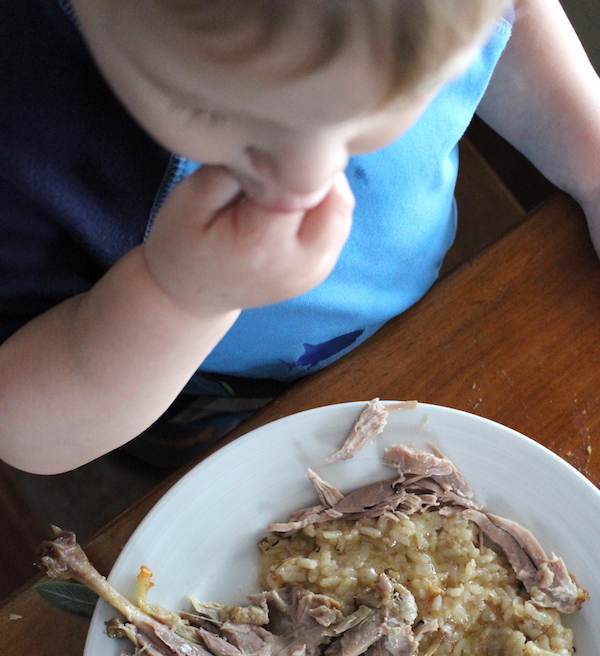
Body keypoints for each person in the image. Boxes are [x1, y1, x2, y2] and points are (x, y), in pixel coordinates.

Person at [1, 0, 599, 473]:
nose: (311, 180)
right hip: (212, 391)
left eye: (402, 89)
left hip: (430, 312)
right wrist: (179, 297)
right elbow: (24, 428)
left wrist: (592, 160)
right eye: (213, 109)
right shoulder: (24, 114)